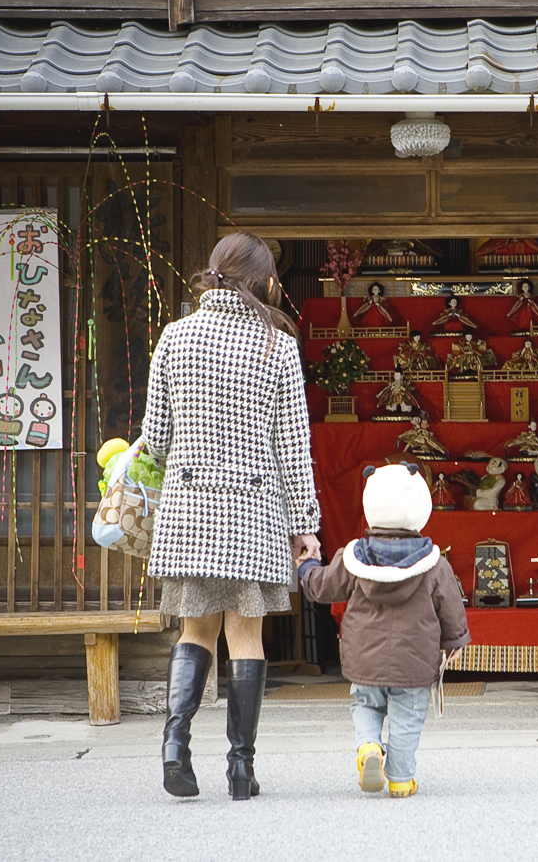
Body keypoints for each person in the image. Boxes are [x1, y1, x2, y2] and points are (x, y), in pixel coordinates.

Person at [141, 232, 321, 801]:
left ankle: (175, 747)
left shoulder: (174, 338)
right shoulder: (278, 347)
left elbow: (156, 438)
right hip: (253, 512)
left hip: (190, 510)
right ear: (265, 282)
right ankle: (241, 770)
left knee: (195, 630)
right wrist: (305, 524)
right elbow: (293, 447)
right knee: (246, 636)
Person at [299, 462, 470, 798]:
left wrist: (307, 567)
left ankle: (369, 748)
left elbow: (322, 587)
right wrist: (455, 641)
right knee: (408, 715)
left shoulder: (353, 557)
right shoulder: (434, 563)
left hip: (364, 656)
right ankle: (401, 779)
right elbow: (450, 605)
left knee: (366, 704)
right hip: (414, 661)